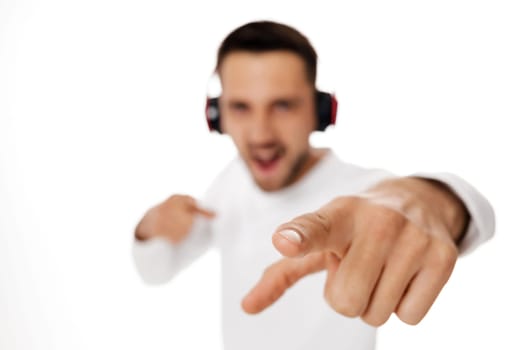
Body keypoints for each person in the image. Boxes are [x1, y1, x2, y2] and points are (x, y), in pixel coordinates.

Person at [132, 21, 495, 350]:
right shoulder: (229, 183)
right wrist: (150, 228)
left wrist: (430, 199)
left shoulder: (362, 193)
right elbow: (156, 271)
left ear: (322, 112)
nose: (260, 134)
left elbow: (454, 212)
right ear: (217, 115)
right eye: (241, 107)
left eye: (283, 105)